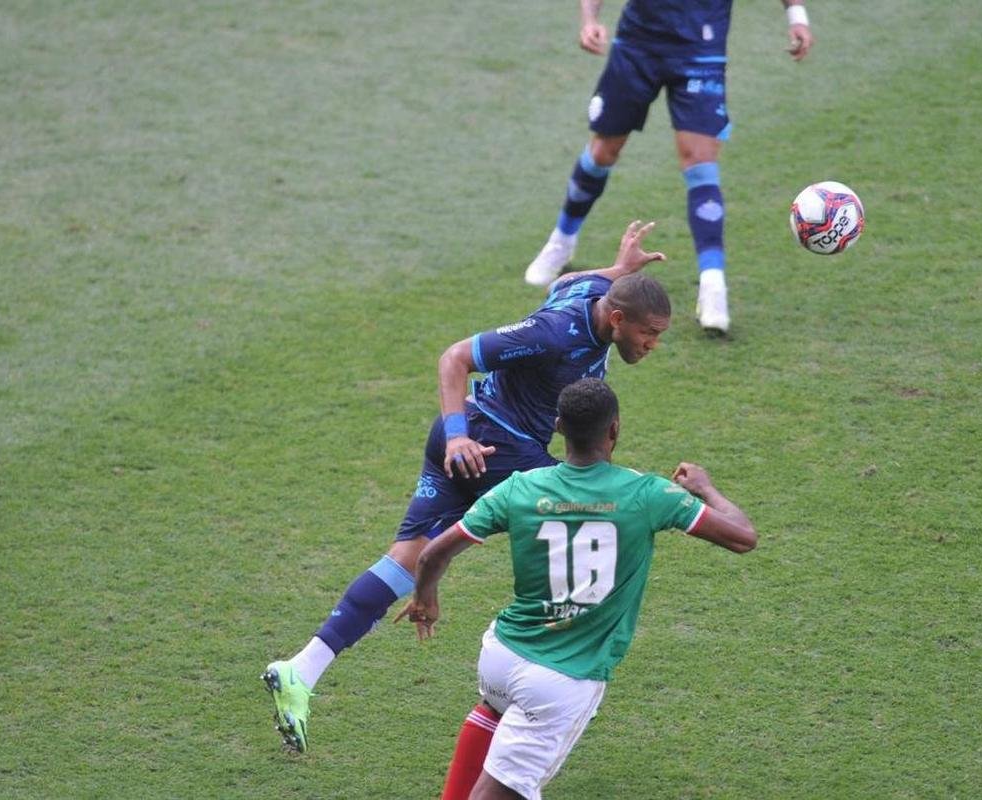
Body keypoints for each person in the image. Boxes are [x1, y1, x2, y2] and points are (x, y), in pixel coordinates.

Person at [262, 221, 673, 752]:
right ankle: (556, 668)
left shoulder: (594, 294)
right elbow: (455, 357)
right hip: (487, 445)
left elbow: (569, 280)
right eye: (650, 333)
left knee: (401, 563)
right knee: (592, 508)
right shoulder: (554, 333)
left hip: (476, 442)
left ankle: (300, 670)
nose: (653, 344)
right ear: (617, 319)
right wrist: (458, 436)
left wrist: (619, 269)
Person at [397, 378, 757, 799]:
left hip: (501, 656)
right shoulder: (647, 494)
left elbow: (430, 555)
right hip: (560, 680)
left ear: (558, 427)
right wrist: (705, 488)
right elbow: (743, 537)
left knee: (495, 710)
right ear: (615, 429)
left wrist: (425, 598)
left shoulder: (519, 488)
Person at [523, 0, 816, 335]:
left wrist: (797, 17)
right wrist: (589, 18)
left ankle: (713, 285)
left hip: (701, 46)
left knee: (700, 160)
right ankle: (562, 240)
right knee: (604, 151)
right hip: (638, 43)